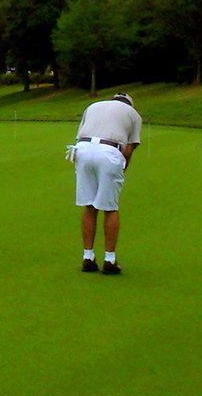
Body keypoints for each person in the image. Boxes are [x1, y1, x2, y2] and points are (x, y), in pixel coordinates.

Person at [71, 92, 142, 275]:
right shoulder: (133, 114)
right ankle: (109, 260)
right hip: (109, 152)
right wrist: (122, 170)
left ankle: (88, 256)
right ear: (129, 104)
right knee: (110, 208)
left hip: (82, 150)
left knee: (89, 206)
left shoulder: (94, 106)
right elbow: (129, 148)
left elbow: (81, 134)